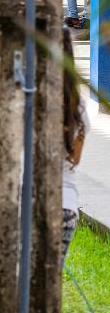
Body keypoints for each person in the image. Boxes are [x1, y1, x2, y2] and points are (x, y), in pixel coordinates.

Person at [61, 26, 88, 264]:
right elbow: (74, 160)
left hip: (28, 203)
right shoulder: (77, 106)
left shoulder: (28, 97)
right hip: (66, 208)